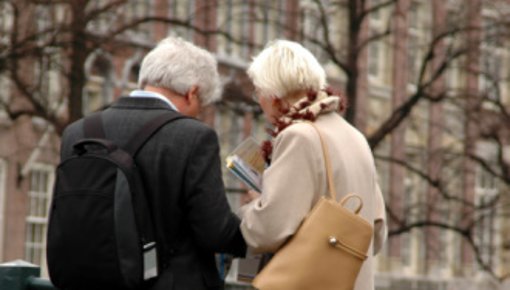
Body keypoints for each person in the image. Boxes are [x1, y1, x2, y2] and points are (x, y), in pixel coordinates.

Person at [59, 36, 246, 290]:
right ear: (192, 93)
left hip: (87, 283)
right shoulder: (194, 137)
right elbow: (215, 231)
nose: (198, 114)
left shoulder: (77, 132)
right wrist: (258, 227)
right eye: (201, 106)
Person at [238, 40, 387, 290]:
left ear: (274, 98)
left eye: (258, 93)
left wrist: (253, 204)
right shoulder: (355, 137)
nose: (258, 102)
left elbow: (269, 230)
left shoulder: (298, 136)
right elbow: (377, 231)